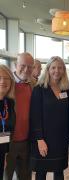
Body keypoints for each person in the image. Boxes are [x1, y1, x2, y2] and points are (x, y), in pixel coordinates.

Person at [30, 56, 69, 180]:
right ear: (47, 70)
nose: (56, 71)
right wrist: (40, 139)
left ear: (63, 70)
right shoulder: (39, 89)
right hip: (44, 139)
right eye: (53, 67)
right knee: (41, 172)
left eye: (60, 68)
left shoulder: (66, 89)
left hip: (61, 139)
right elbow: (35, 116)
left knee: (59, 172)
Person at [5, 52, 34, 180]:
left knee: (25, 176)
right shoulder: (5, 84)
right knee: (6, 176)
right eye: (23, 65)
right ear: (16, 65)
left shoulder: (34, 85)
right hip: (8, 143)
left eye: (30, 66)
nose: (26, 69)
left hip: (27, 142)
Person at [0, 65, 16, 180]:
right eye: (0, 77)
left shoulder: (9, 103)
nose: (3, 81)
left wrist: (5, 154)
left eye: (7, 78)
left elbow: (7, 131)